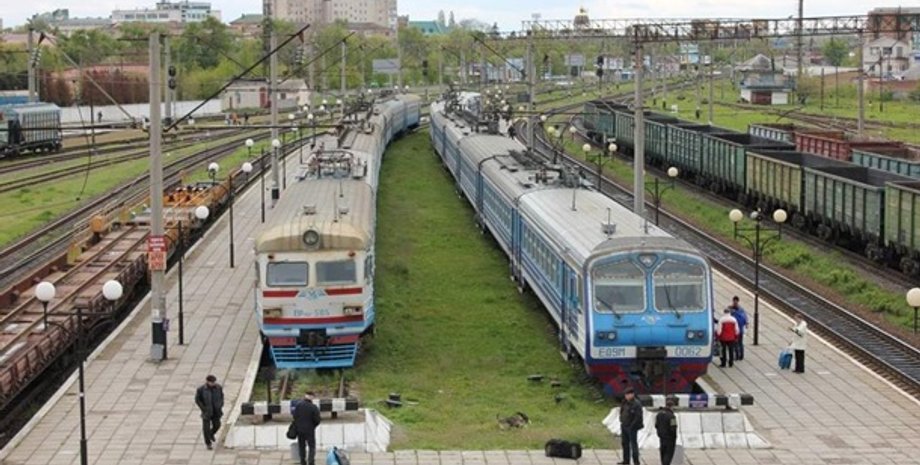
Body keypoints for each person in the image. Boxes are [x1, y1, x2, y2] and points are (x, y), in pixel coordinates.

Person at [195, 375, 224, 450]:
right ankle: (208, 443)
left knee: (217, 425)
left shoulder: (218, 388)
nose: (213, 384)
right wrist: (203, 409)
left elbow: (221, 397)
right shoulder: (201, 389)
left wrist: (220, 405)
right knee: (206, 429)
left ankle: (211, 434)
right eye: (212, 382)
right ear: (207, 382)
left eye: (214, 382)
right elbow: (198, 400)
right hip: (207, 412)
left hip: (216, 411)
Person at [292, 392, 322, 465]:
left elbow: (295, 416)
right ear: (312, 397)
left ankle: (303, 461)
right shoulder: (313, 407)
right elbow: (317, 420)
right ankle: (311, 462)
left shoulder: (298, 405)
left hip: (300, 430)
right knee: (312, 446)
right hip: (310, 430)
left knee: (301, 446)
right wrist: (313, 426)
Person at [618, 387, 643, 465]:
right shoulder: (624, 402)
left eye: (628, 395)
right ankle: (626, 460)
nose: (626, 396)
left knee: (633, 444)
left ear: (632, 394)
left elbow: (638, 417)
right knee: (625, 444)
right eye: (625, 395)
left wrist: (632, 426)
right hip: (624, 425)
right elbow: (622, 411)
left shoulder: (636, 404)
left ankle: (636, 461)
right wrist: (621, 420)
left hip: (632, 427)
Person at [655, 399, 678, 465]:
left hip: (661, 437)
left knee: (663, 453)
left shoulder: (659, 414)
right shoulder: (672, 416)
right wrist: (674, 437)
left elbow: (656, 425)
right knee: (668, 454)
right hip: (670, 439)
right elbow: (673, 428)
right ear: (671, 407)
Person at [729, 296, 749, 361]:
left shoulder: (732, 310)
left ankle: (738, 355)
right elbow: (745, 318)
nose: (734, 302)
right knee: (739, 343)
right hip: (739, 329)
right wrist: (746, 323)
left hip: (736, 330)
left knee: (736, 343)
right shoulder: (741, 310)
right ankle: (740, 355)